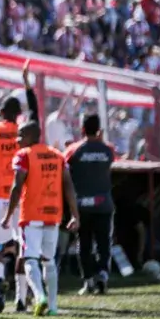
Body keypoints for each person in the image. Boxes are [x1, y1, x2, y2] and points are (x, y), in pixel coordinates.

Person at [0, 61, 39, 313]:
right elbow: (35, 111)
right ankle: (21, 299)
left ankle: (0, 280)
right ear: (18, 114)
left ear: (1, 111)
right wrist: (27, 83)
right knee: (23, 247)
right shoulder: (26, 132)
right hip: (23, 196)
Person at [3, 122, 80, 316]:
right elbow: (69, 185)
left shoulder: (24, 155)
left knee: (29, 258)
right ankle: (53, 307)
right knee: (49, 261)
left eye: (21, 135)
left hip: (31, 216)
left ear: (31, 135)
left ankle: (39, 296)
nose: (18, 139)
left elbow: (16, 187)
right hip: (53, 215)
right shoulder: (58, 155)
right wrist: (75, 215)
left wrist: (8, 215)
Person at [65, 114, 116, 295]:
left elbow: (64, 168)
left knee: (84, 243)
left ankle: (88, 280)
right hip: (104, 204)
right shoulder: (108, 149)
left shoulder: (73, 150)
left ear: (82, 129)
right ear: (99, 129)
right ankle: (102, 273)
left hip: (82, 205)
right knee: (103, 243)